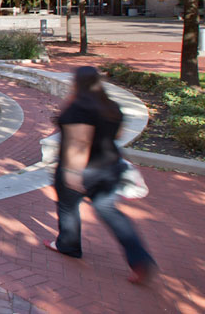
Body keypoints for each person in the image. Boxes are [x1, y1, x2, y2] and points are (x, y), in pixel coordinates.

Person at [46, 66, 156, 284]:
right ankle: (140, 259)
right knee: (108, 211)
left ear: (77, 82)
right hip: (109, 166)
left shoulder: (79, 108)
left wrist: (72, 172)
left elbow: (80, 142)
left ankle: (68, 245)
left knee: (68, 205)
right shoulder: (110, 106)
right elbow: (118, 134)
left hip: (85, 168)